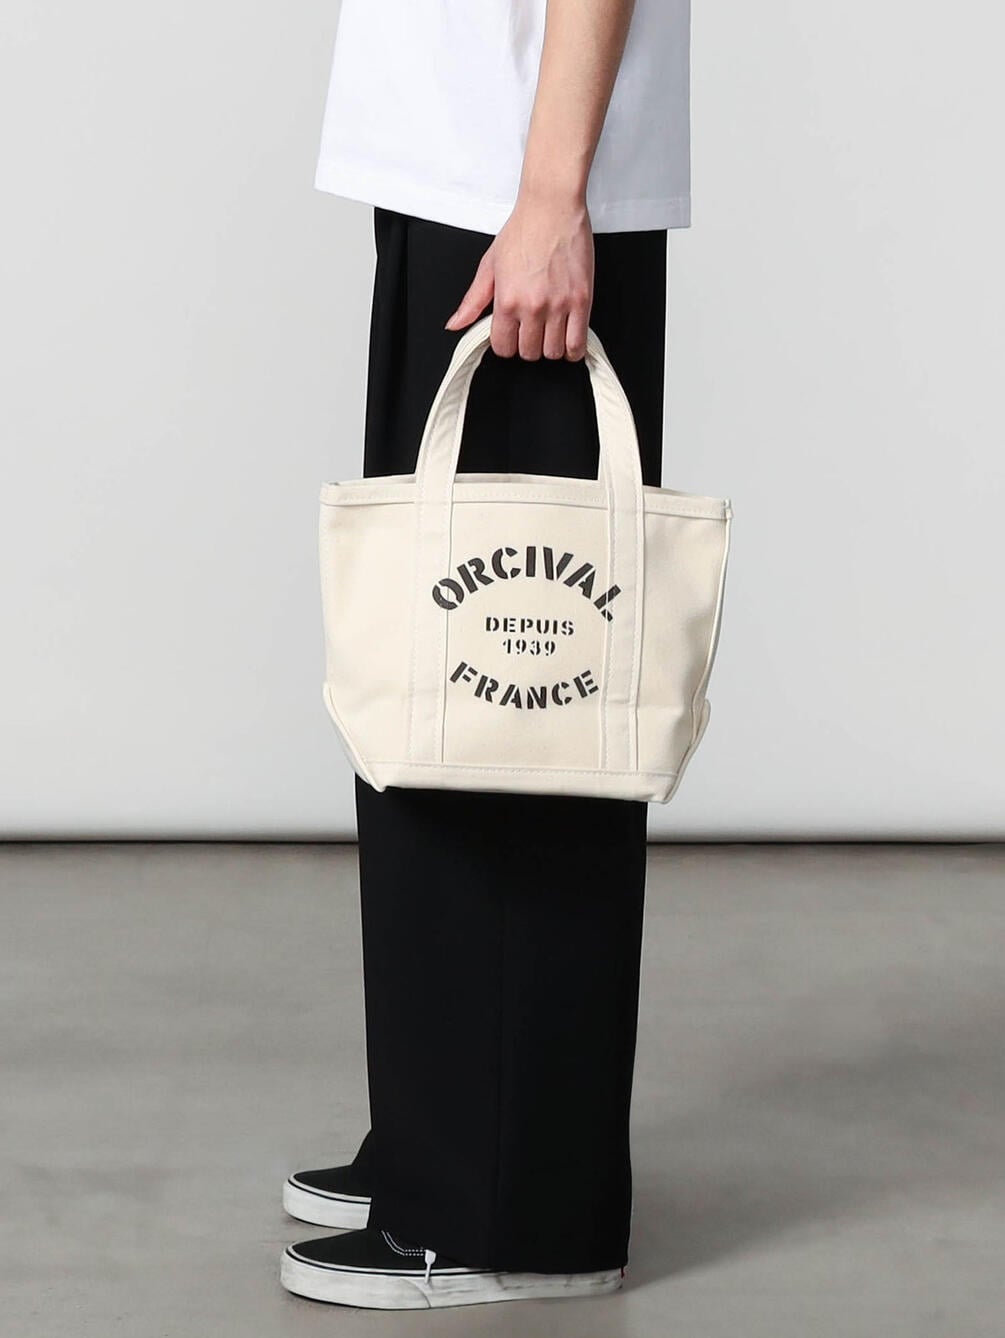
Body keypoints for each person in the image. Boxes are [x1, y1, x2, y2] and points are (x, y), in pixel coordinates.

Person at [280, 0, 692, 1312]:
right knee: (439, 705)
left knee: (517, 721)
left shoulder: (536, 190)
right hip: (463, 173)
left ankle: (513, 1210)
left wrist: (552, 194)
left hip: (519, 187)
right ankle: (445, 1139)